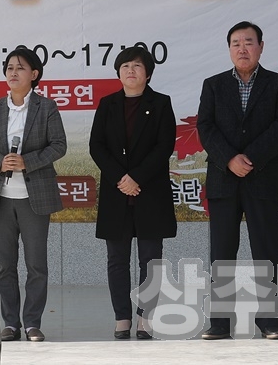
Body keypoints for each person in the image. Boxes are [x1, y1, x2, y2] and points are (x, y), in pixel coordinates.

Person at [196, 21, 278, 340]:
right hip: (224, 178)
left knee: (268, 251)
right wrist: (229, 159)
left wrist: (249, 157)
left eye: (249, 42)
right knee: (222, 252)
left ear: (261, 47)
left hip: (264, 176)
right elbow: (205, 127)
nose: (242, 48)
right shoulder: (213, 85)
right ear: (229, 49)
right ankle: (220, 322)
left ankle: (269, 320)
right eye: (236, 43)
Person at [0, 47, 67, 343]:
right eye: (9, 68)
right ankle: (10, 323)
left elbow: (58, 145)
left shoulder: (46, 107)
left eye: (20, 68)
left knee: (36, 265)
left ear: (34, 74)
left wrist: (27, 161)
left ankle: (32, 323)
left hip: (34, 198)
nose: (13, 73)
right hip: (1, 197)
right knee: (5, 266)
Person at [89, 45, 177, 340]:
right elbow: (96, 146)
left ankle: (145, 318)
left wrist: (136, 177)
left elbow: (164, 146)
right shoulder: (108, 104)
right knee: (117, 259)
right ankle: (122, 317)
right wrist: (121, 178)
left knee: (150, 260)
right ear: (118, 73)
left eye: (137, 66)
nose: (130, 70)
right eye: (125, 66)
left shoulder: (161, 103)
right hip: (117, 193)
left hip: (150, 191)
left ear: (147, 74)